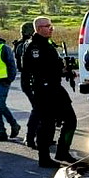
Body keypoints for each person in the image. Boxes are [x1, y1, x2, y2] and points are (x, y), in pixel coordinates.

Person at [21, 16, 77, 168]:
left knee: (70, 120)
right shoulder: (35, 47)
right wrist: (59, 70)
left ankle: (62, 151)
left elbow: (52, 67)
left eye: (51, 25)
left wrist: (66, 71)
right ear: (39, 29)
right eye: (47, 26)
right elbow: (39, 70)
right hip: (44, 90)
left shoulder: (46, 44)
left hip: (54, 87)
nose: (51, 28)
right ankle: (44, 157)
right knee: (47, 125)